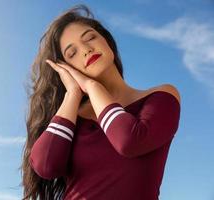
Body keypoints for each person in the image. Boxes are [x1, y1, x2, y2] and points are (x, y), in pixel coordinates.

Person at [20, 4, 181, 200]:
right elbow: (46, 165)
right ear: (66, 68)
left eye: (90, 37)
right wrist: (72, 93)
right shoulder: (71, 118)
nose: (87, 50)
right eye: (72, 53)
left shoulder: (160, 97)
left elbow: (129, 141)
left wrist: (92, 86)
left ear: (107, 42)